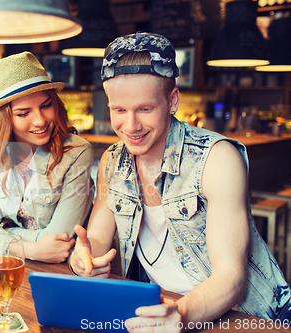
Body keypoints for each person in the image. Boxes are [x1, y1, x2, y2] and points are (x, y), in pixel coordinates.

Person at [70, 32, 291, 331]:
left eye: (145, 109)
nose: (131, 126)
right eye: (119, 110)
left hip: (244, 318)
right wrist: (83, 258)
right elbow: (95, 238)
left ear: (172, 100)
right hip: (161, 310)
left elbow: (231, 278)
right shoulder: (112, 160)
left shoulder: (217, 159)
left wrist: (181, 313)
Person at [0, 51, 94, 263]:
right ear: (5, 117)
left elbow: (58, 239)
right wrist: (29, 249)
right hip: (13, 264)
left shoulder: (76, 153)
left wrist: (3, 229)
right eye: (23, 113)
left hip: (62, 271)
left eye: (46, 105)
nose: (39, 121)